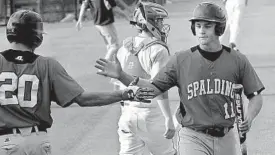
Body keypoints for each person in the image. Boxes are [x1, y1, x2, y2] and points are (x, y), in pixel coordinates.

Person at [95, 2, 265, 155]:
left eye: (207, 26)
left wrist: (249, 118)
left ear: (219, 28)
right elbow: (153, 89)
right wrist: (122, 76)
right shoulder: (181, 60)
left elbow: (255, 95)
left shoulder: (237, 60)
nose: (202, 30)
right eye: (198, 25)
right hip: (193, 137)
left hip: (226, 137)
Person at [0, 10, 153, 155]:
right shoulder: (46, 65)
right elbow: (83, 99)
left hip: (4, 142)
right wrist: (125, 94)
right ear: (36, 36)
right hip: (37, 141)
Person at [111, 2, 176, 155]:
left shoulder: (124, 48)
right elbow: (159, 87)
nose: (162, 25)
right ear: (149, 23)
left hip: (127, 113)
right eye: (159, 21)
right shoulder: (158, 49)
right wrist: (168, 118)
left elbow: (118, 86)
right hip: (150, 114)